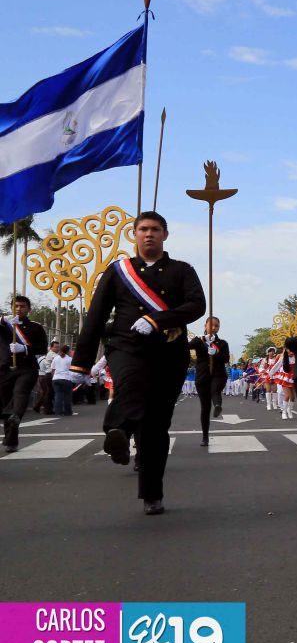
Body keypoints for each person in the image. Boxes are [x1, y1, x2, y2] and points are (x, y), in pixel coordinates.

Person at [69, 211, 205, 515]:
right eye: (143, 229)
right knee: (130, 385)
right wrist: (80, 363)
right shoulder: (118, 271)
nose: (149, 234)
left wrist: (158, 319)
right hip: (126, 347)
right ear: (134, 234)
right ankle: (117, 430)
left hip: (169, 353)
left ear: (165, 235)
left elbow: (197, 305)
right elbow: (96, 317)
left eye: (155, 229)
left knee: (157, 426)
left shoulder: (182, 270)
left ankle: (152, 494)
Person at [1, 295, 50, 452]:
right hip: (5, 369)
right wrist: (5, 321)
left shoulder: (36, 327)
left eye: (22, 306)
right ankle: (11, 440)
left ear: (29, 309)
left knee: (20, 392)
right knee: (6, 404)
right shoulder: (4, 325)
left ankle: (17, 415)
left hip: (27, 368)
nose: (18, 309)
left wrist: (25, 349)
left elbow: (43, 348)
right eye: (15, 306)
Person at [187, 316, 230, 446]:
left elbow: (225, 358)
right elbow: (188, 346)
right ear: (205, 326)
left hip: (218, 374)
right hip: (202, 376)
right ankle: (205, 436)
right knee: (205, 408)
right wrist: (202, 340)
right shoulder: (199, 341)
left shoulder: (222, 343)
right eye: (211, 325)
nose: (213, 328)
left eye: (216, 326)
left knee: (215, 390)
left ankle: (217, 406)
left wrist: (216, 353)